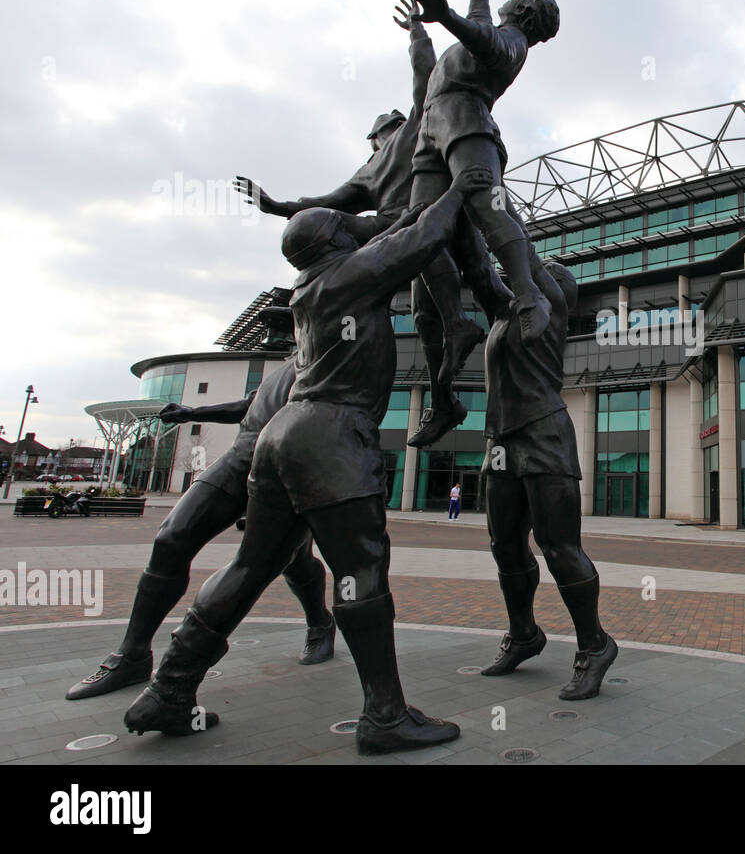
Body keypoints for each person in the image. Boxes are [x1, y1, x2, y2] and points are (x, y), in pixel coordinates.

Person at [123, 167, 496, 753]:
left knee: (250, 565)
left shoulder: (308, 289)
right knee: (362, 568)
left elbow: (398, 235)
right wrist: (460, 188)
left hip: (281, 437)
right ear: (333, 245)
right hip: (332, 434)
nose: (356, 233)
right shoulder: (346, 276)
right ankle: (385, 715)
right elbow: (423, 237)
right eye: (347, 230)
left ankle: (171, 688)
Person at [233, 0, 513, 452]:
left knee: (432, 280)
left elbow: (424, 84)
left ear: (383, 132)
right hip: (401, 229)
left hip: (421, 221)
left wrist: (418, 32)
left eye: (379, 134)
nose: (379, 141)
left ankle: (455, 349)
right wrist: (279, 207)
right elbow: (328, 207)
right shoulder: (374, 164)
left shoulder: (411, 133)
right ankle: (448, 378)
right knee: (425, 311)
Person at [66, 364, 334, 701]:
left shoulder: (331, 348)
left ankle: (320, 622)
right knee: (171, 538)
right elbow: (247, 407)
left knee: (291, 558)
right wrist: (192, 412)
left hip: (289, 465)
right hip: (242, 455)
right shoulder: (287, 364)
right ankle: (132, 655)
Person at [400, 0, 561, 447]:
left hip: (467, 119)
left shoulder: (514, 41)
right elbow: (475, 17)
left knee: (488, 208)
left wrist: (444, 13)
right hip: (433, 129)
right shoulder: (494, 27)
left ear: (526, 11)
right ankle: (447, 376)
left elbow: (483, 33)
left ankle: (527, 294)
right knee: (420, 237)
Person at [477, 260, 617, 700]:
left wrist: (487, 195)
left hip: (545, 434)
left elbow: (513, 247)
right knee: (505, 546)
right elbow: (476, 260)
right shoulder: (504, 312)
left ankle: (595, 646)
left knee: (559, 548)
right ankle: (523, 635)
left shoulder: (549, 307)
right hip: (501, 441)